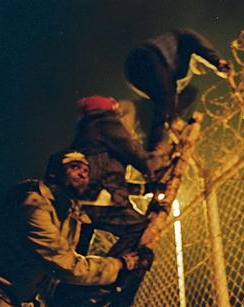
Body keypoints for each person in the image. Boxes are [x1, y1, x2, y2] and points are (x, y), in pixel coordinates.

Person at [0, 150, 142, 306]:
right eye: (74, 167)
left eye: (86, 170)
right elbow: (66, 266)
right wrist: (119, 264)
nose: (83, 174)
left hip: (14, 297)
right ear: (53, 174)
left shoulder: (69, 211)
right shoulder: (33, 206)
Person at [52, 96, 169, 306]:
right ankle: (104, 281)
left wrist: (143, 189)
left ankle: (66, 299)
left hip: (84, 203)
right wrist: (163, 160)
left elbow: (108, 175)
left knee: (78, 258)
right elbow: (140, 157)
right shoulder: (106, 123)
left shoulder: (85, 133)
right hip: (102, 201)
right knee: (139, 227)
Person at [124, 28, 232, 151]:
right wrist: (217, 62)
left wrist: (172, 118)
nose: (202, 71)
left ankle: (158, 137)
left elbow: (171, 93)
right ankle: (153, 150)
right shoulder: (184, 40)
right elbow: (198, 43)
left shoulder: (179, 70)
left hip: (137, 73)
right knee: (167, 99)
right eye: (202, 66)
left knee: (168, 102)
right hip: (147, 57)